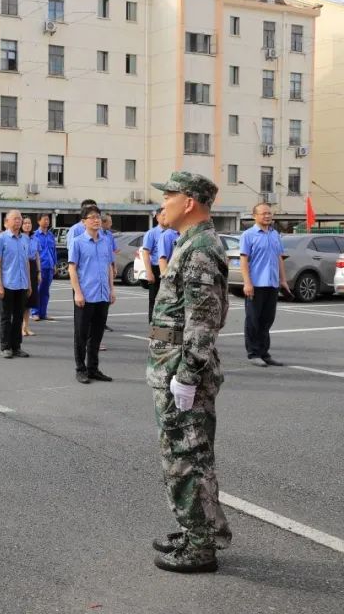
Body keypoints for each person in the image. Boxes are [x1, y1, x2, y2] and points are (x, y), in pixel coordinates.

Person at [146, 171, 231, 574]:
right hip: (173, 361)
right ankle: (198, 530)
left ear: (190, 202)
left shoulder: (199, 247)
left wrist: (188, 375)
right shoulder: (190, 242)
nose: (162, 203)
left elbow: (203, 320)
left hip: (183, 368)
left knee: (185, 457)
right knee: (191, 455)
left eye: (169, 195)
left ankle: (200, 548)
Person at [68, 206, 115, 384]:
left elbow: (109, 267)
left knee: (97, 334)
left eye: (98, 217)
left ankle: (93, 368)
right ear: (83, 221)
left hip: (102, 295)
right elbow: (72, 268)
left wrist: (112, 289)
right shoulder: (78, 242)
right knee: (81, 335)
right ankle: (80, 369)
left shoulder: (105, 241)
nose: (97, 220)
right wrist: (78, 293)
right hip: (85, 295)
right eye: (92, 217)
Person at [240, 203, 290, 367]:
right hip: (256, 284)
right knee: (253, 320)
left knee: (267, 320)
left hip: (272, 284)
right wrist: (247, 283)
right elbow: (244, 260)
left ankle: (264, 352)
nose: (267, 216)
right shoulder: (248, 235)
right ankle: (253, 353)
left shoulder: (275, 235)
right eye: (263, 213)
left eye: (269, 213)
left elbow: (279, 258)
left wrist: (283, 281)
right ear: (255, 216)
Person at [0, 210, 31, 359]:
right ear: (6, 222)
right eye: (15, 219)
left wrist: (29, 284)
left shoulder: (25, 239)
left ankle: (16, 346)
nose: (18, 221)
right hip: (7, 283)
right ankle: (5, 346)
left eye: (20, 219)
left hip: (22, 284)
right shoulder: (1, 239)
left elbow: (27, 262)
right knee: (5, 317)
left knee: (18, 318)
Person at [141, 207, 166, 322]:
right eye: (163, 215)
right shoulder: (152, 233)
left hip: (169, 268)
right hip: (155, 268)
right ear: (157, 217)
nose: (165, 217)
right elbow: (146, 253)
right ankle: (153, 323)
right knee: (154, 298)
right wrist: (149, 272)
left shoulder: (173, 231)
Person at [30, 214, 56, 321]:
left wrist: (54, 264)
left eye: (48, 220)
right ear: (38, 221)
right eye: (44, 220)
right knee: (37, 290)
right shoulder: (35, 235)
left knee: (45, 291)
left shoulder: (50, 235)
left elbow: (54, 251)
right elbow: (34, 252)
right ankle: (35, 312)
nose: (47, 221)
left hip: (49, 266)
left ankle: (43, 313)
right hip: (39, 267)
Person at [21, 217, 41, 337]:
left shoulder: (35, 238)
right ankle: (19, 328)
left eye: (29, 223)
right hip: (22, 266)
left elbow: (37, 255)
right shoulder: (19, 238)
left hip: (33, 267)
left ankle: (26, 327)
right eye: (25, 223)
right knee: (21, 300)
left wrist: (39, 272)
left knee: (30, 300)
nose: (27, 225)